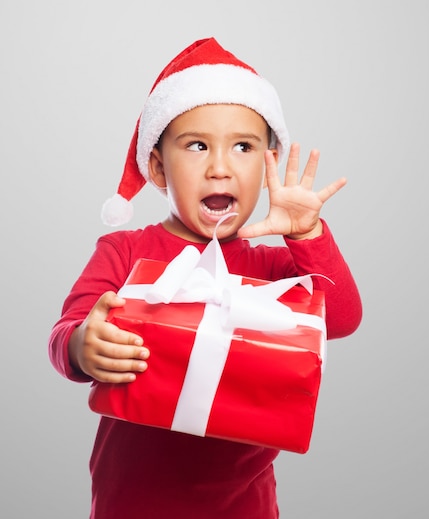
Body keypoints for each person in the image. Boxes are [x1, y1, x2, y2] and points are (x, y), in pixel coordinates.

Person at [48, 37, 362, 518]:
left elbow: (340, 319)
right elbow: (66, 331)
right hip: (130, 501)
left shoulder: (275, 269)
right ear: (157, 167)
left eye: (243, 147)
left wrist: (308, 235)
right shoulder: (124, 251)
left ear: (266, 165)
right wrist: (80, 345)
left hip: (245, 506)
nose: (220, 167)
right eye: (197, 146)